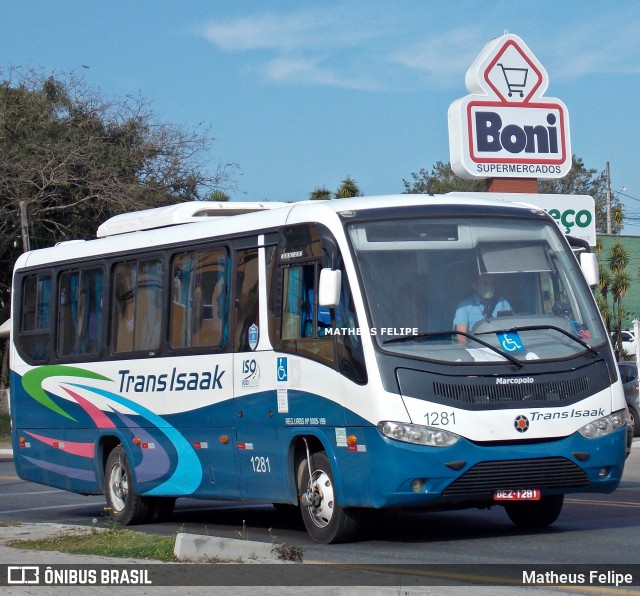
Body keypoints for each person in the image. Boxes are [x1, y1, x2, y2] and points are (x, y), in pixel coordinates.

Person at [453, 274, 512, 343]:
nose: (489, 286)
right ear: (475, 286)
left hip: (503, 348)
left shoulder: (502, 302)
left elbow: (513, 328)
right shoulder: (464, 306)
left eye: (492, 283)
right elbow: (461, 338)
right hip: (477, 350)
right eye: (485, 283)